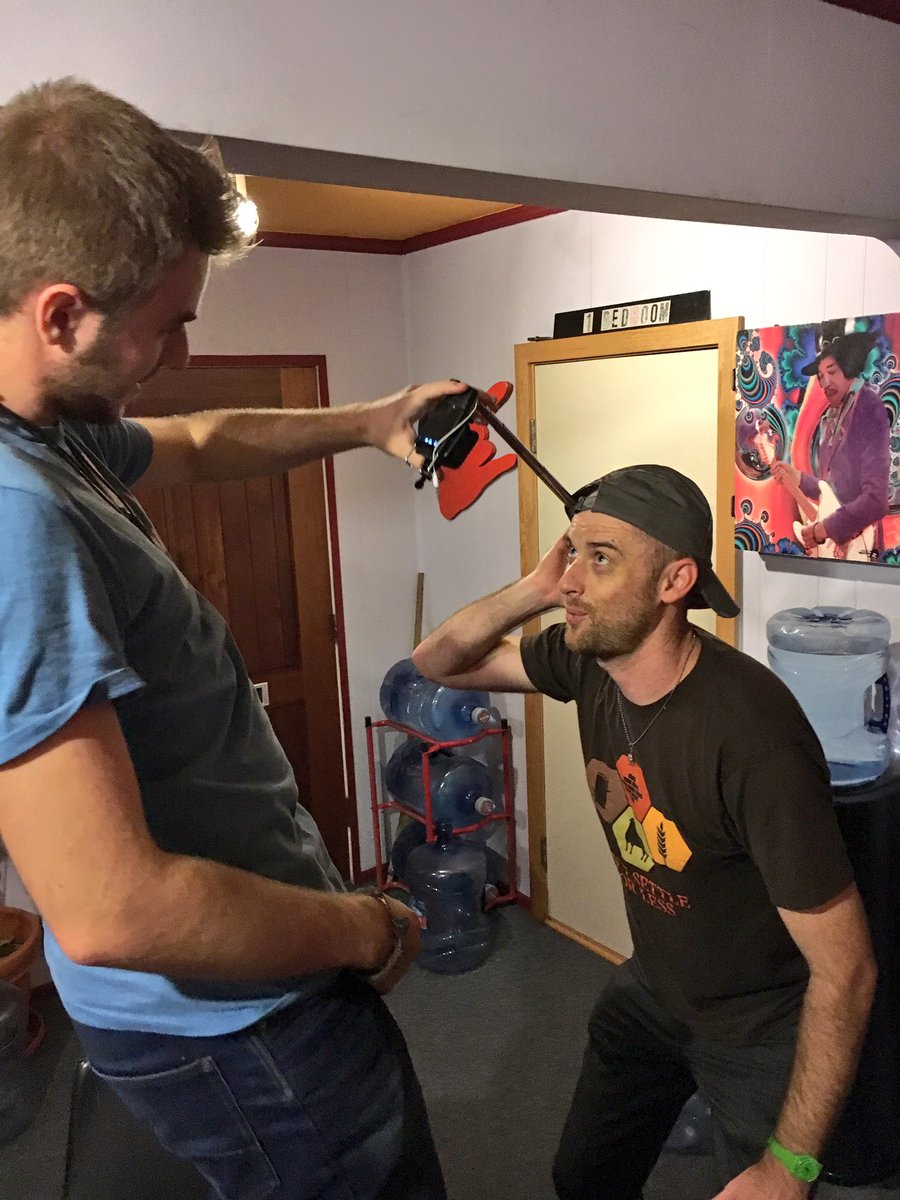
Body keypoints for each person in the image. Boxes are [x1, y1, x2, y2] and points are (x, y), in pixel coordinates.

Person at [0, 79, 456, 1199]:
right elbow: (110, 909)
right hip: (241, 1029)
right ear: (61, 315)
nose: (182, 355)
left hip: (241, 1002)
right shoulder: (18, 518)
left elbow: (202, 440)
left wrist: (370, 421)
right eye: (168, 325)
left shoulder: (53, 435)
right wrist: (358, 929)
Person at [413, 464, 877, 1200]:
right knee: (583, 1178)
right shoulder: (588, 663)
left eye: (601, 559)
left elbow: (847, 969)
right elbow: (436, 662)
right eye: (572, 554)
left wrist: (789, 1168)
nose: (572, 581)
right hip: (655, 988)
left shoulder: (752, 737)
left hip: (757, 1024)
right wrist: (536, 588)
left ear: (674, 581)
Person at [770, 329, 889, 557]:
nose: (825, 382)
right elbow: (834, 490)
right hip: (838, 551)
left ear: (848, 367)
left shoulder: (868, 407)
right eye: (820, 376)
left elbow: (875, 500)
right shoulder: (834, 417)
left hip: (861, 545)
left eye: (831, 372)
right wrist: (798, 478)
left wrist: (823, 530)